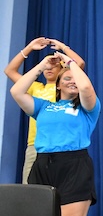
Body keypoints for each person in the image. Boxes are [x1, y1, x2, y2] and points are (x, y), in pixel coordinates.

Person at [10, 51, 100, 216]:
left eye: (75, 78)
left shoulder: (87, 108)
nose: (72, 81)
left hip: (74, 166)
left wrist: (69, 63)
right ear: (57, 85)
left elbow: (86, 87)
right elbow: (17, 91)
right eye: (66, 78)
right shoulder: (43, 106)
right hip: (42, 166)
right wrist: (41, 65)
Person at [4, 37, 86, 183]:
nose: (49, 68)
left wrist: (62, 47)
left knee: (59, 189)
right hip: (35, 145)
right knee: (31, 191)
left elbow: (79, 64)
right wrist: (29, 47)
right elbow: (9, 70)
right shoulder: (35, 87)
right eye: (47, 65)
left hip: (59, 146)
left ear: (62, 69)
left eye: (54, 65)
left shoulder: (64, 88)